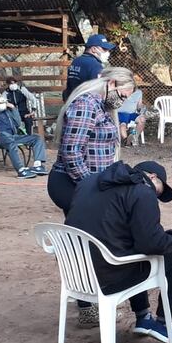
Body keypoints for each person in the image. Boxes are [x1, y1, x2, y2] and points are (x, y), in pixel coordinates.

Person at [64, 160, 172, 343]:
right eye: (159, 192)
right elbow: (152, 244)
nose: (155, 198)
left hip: (75, 275)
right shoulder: (142, 191)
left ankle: (143, 316)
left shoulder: (88, 182)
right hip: (108, 277)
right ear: (153, 177)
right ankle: (164, 323)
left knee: (129, 247)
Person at [48, 67, 135, 328]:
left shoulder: (101, 105)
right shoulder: (86, 104)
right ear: (110, 83)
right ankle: (87, 305)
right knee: (84, 242)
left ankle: (89, 301)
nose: (122, 100)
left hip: (87, 183)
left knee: (87, 240)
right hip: (73, 182)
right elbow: (72, 152)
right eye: (122, 94)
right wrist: (91, 188)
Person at [0, 93, 48, 179]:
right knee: (10, 141)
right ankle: (21, 170)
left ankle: (38, 165)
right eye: (1, 102)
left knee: (37, 138)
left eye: (4, 102)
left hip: (12, 136)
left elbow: (18, 123)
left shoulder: (8, 111)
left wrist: (14, 109)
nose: (3, 104)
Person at [63, 34, 115, 101]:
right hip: (87, 103)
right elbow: (98, 90)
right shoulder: (95, 65)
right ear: (93, 49)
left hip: (71, 101)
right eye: (104, 49)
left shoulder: (76, 61)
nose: (108, 53)